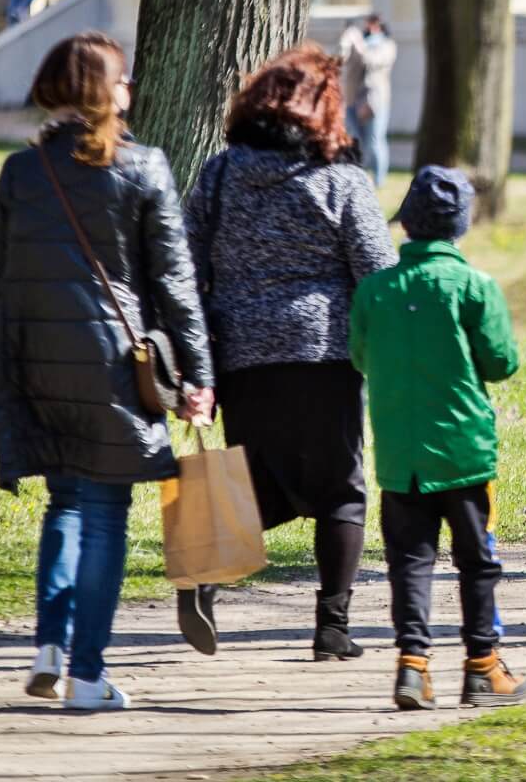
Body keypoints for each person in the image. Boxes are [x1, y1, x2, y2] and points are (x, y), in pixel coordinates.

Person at [0, 32, 215, 710]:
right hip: (114, 367)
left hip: (35, 363)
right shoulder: (144, 168)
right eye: (123, 78)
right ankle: (87, 677)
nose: (130, 87)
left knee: (65, 503)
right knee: (106, 513)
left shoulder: (21, 172)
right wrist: (197, 374)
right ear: (107, 91)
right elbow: (175, 283)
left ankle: (50, 647)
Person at [183, 45, 397, 661]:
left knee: (256, 483)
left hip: (241, 355)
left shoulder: (219, 174)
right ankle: (332, 628)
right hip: (324, 356)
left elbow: (186, 265)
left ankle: (204, 573)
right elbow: (377, 273)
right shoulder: (341, 181)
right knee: (340, 492)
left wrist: (198, 358)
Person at [350, 166, 526, 710]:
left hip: (400, 455)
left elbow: (359, 357)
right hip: (464, 454)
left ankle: (413, 668)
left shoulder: (374, 291)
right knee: (476, 561)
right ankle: (483, 667)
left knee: (410, 561)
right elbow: (501, 362)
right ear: (460, 226)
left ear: (406, 223)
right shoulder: (475, 287)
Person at [338, 15, 398, 188]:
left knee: (374, 141)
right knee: (355, 141)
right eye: (368, 25)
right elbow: (341, 60)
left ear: (381, 27)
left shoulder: (387, 45)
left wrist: (359, 44)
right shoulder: (357, 42)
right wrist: (346, 41)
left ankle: (379, 181)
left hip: (374, 102)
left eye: (374, 25)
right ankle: (359, 179)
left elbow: (372, 61)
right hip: (352, 99)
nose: (370, 28)